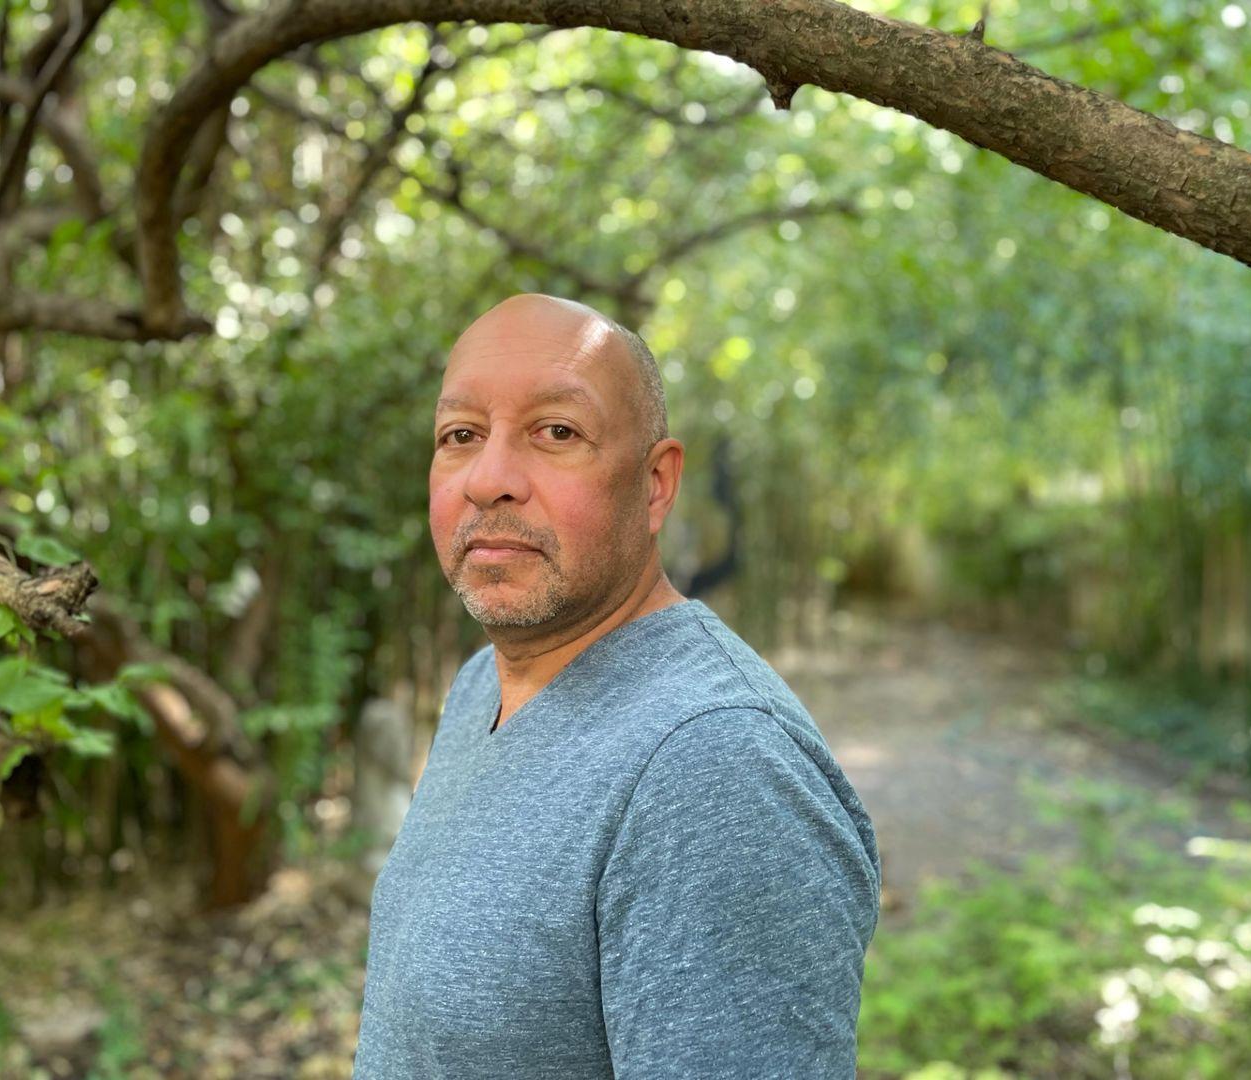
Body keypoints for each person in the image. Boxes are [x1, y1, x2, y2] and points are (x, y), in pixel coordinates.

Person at [353, 293, 881, 1078]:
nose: (489, 478)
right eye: (461, 436)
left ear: (656, 484)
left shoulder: (712, 765)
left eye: (556, 432)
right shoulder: (480, 686)